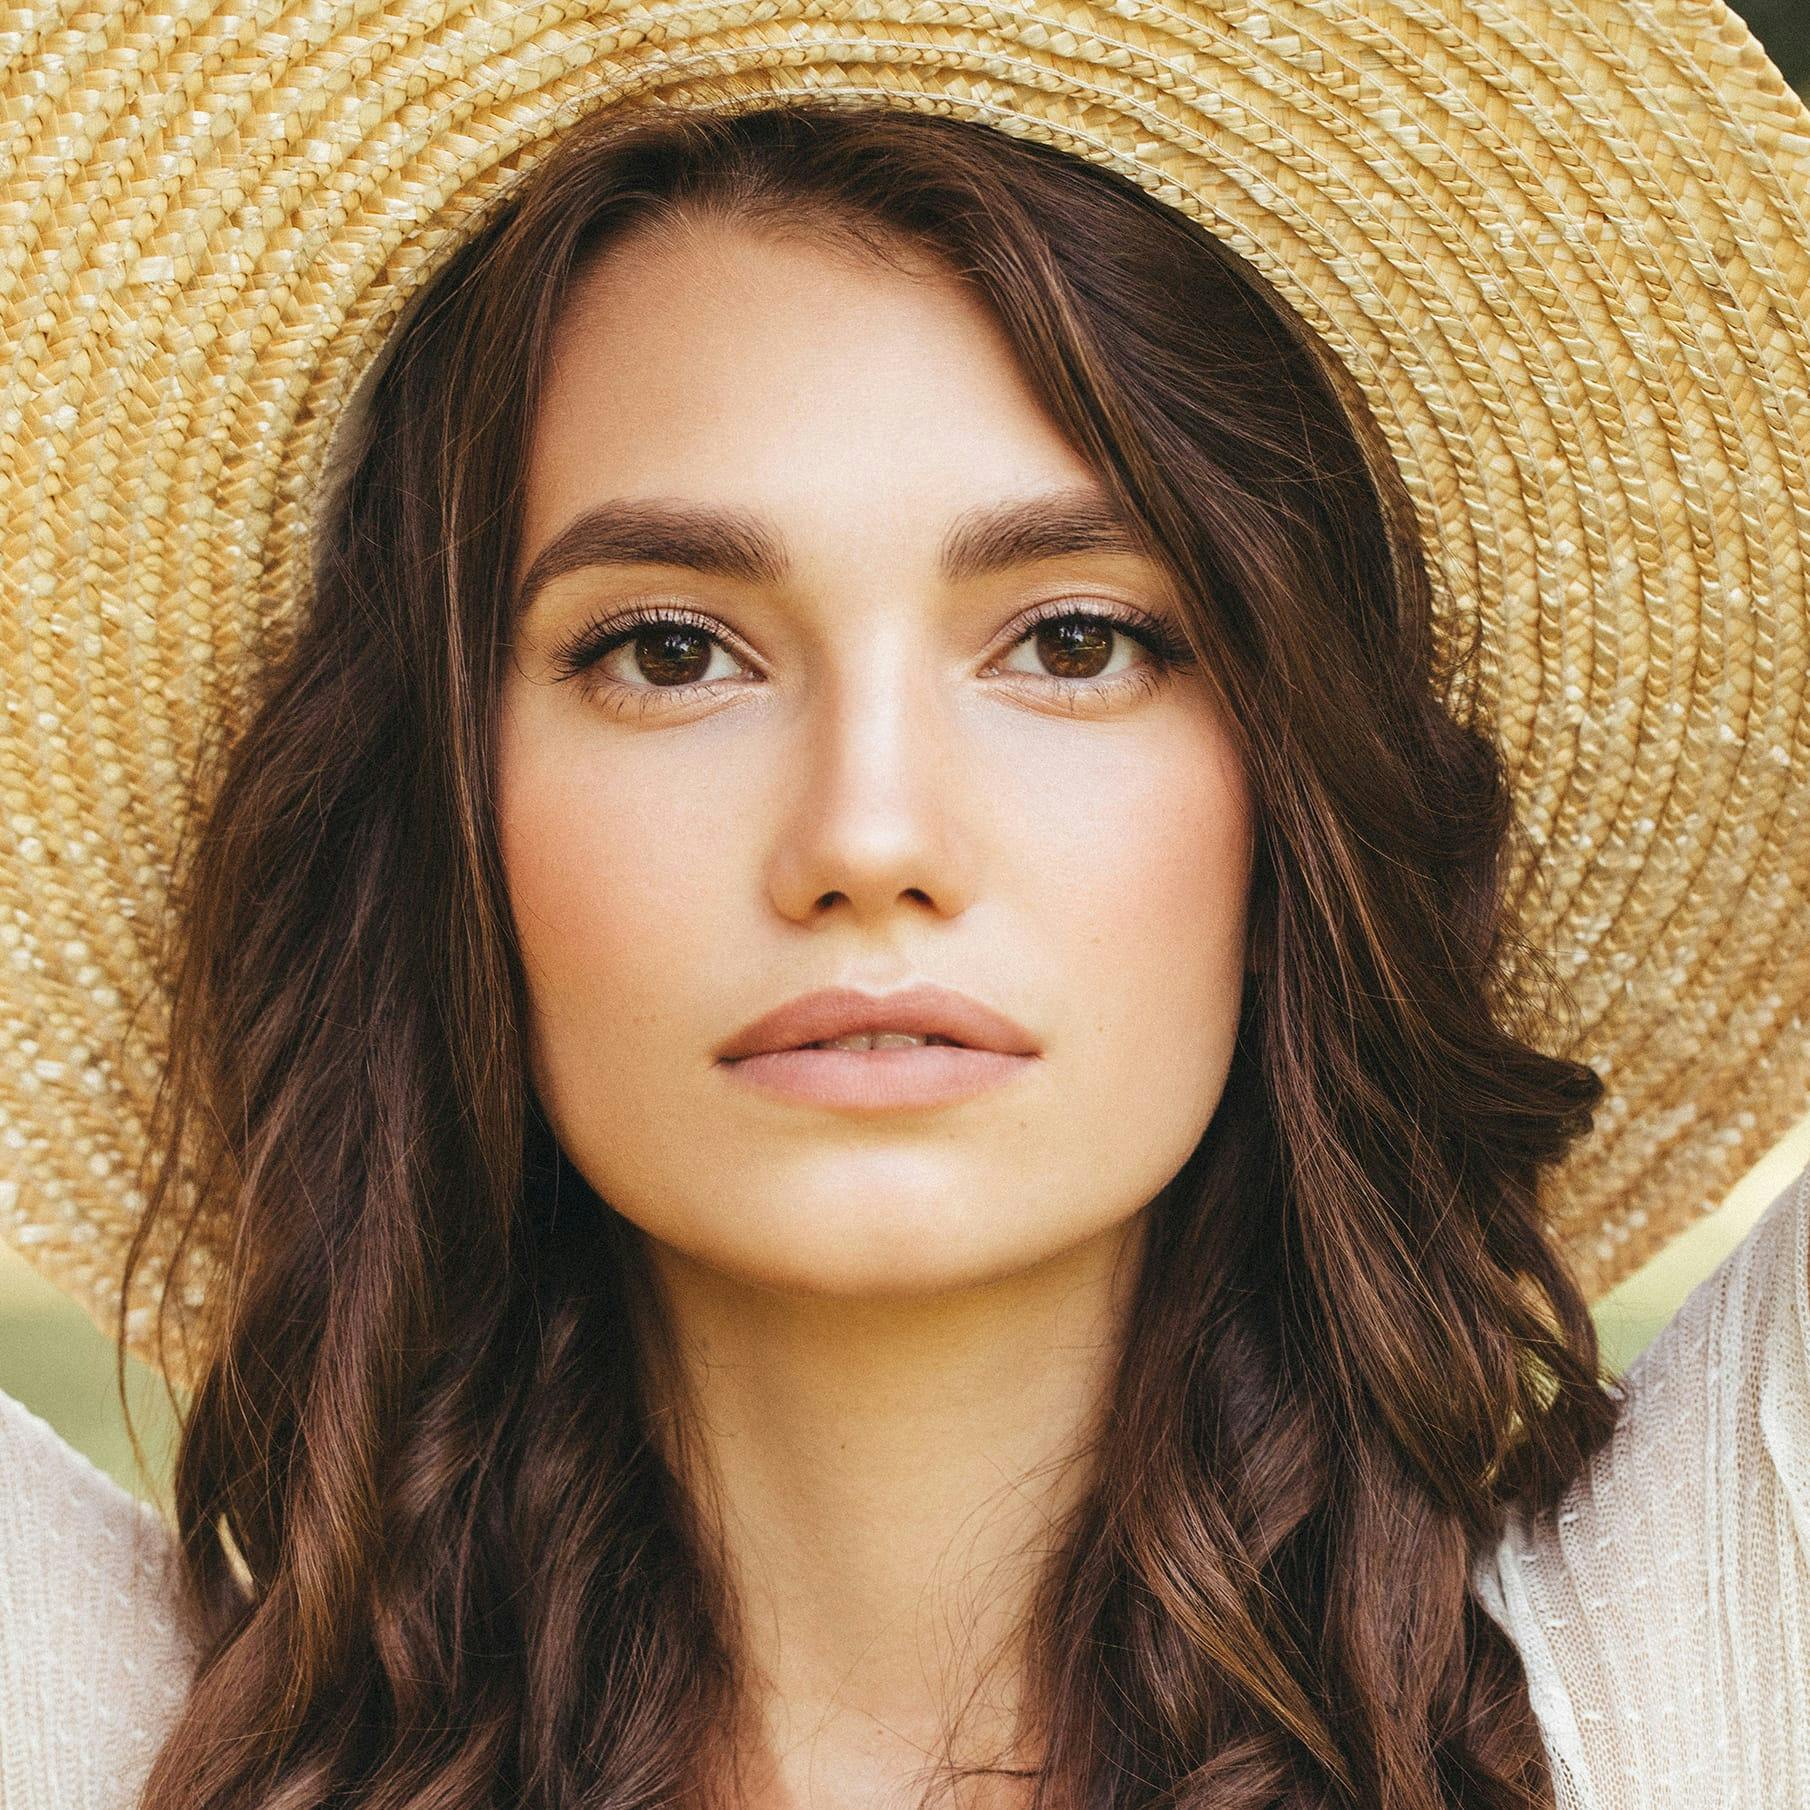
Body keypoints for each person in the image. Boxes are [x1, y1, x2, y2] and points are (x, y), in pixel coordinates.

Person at [1, 6, 1807, 1810]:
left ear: (1292, 794)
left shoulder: (1692, 1669)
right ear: (445, 811)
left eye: (1074, 642)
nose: (867, 837)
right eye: (669, 650)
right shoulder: (98, 1736)